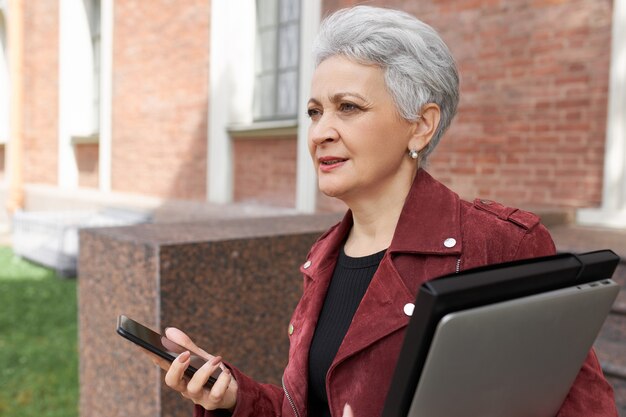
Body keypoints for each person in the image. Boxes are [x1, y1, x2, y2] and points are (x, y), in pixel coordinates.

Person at [143, 5, 618, 417]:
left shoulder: (499, 244)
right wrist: (232, 399)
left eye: (347, 107)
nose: (321, 132)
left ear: (421, 126)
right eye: (314, 111)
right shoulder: (323, 257)